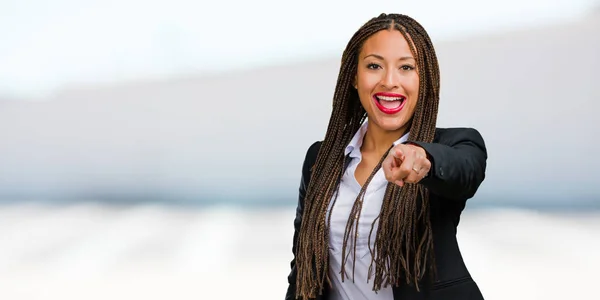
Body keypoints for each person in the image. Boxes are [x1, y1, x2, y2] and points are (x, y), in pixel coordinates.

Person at [285, 13, 488, 300]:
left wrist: (424, 160)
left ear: (424, 79)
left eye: (406, 67)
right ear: (354, 77)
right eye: (374, 66)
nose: (390, 81)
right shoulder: (322, 159)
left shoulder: (456, 144)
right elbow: (302, 269)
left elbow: (464, 172)